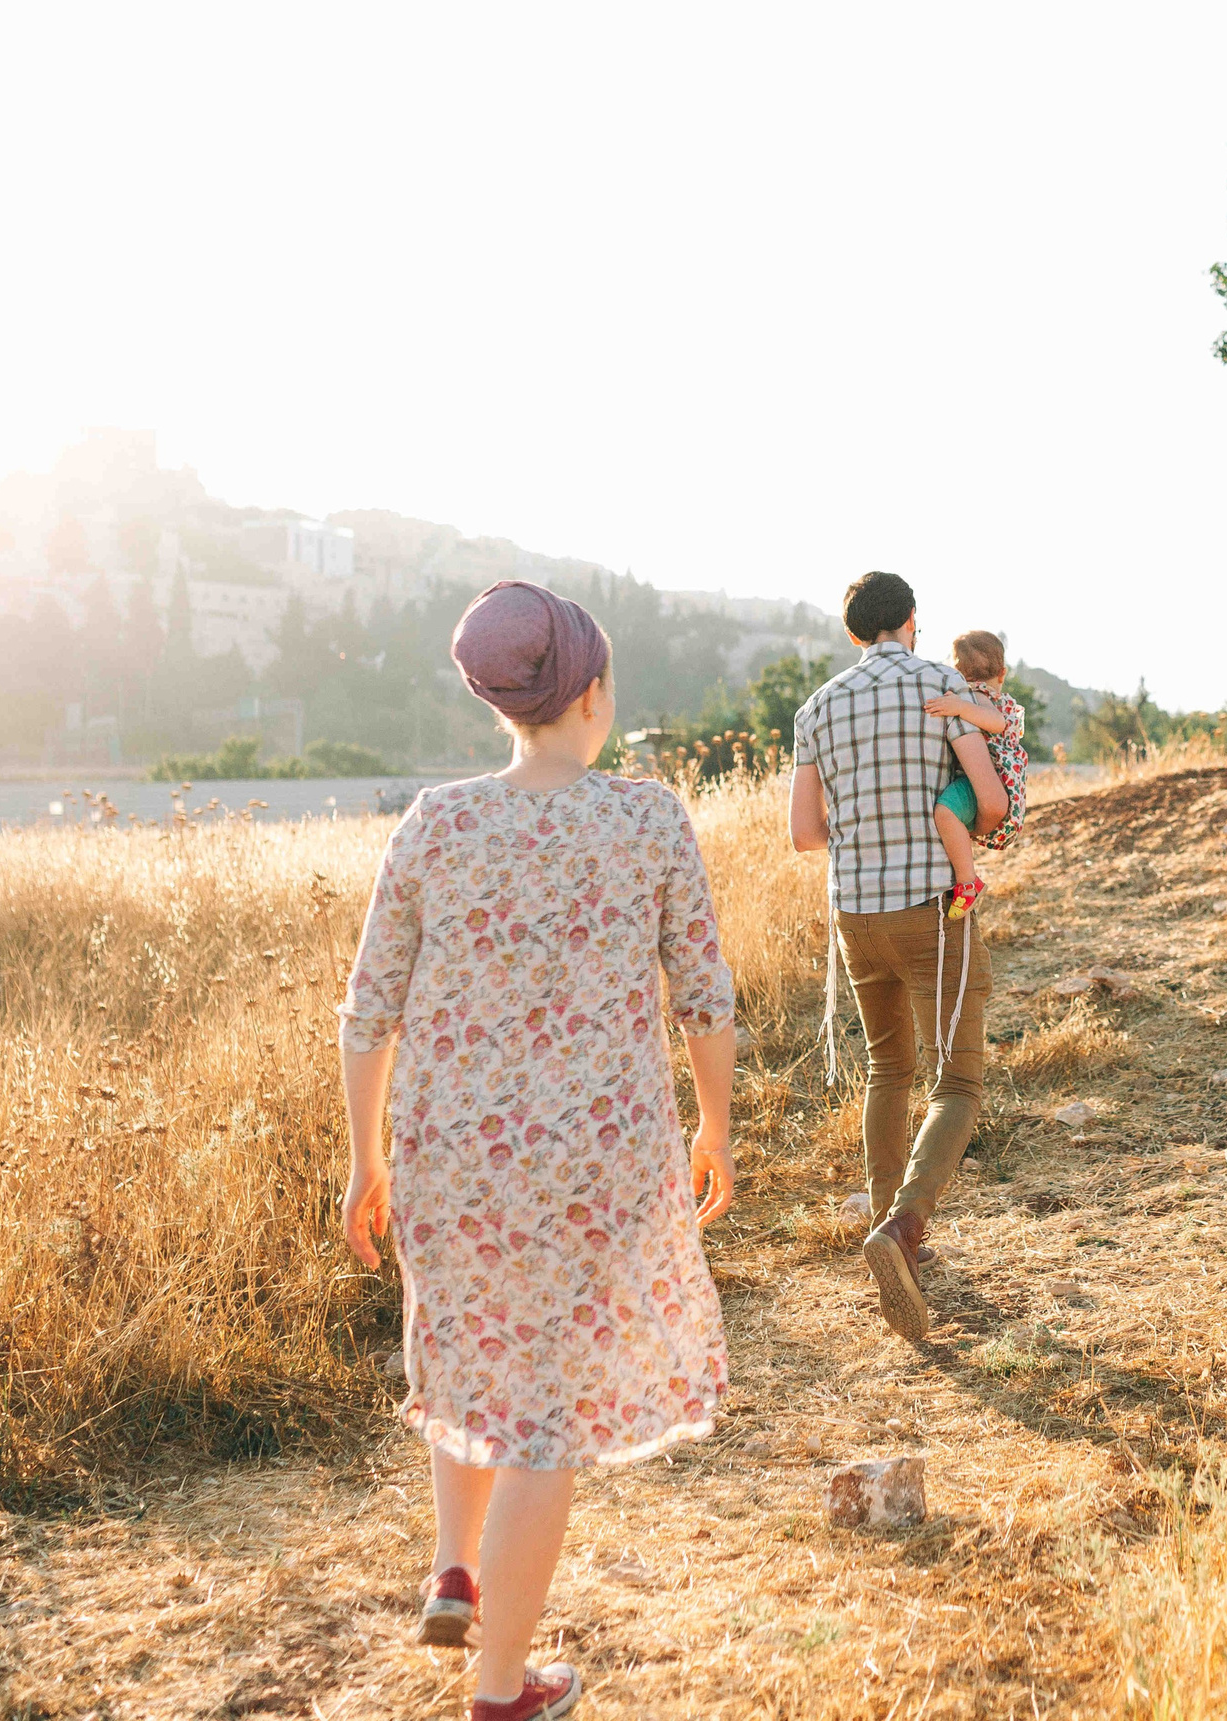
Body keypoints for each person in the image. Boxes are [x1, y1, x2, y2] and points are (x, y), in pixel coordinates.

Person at [338, 579, 738, 1721]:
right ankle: (502, 1689)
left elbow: (369, 1010)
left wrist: (363, 1161)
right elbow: (703, 998)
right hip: (593, 1162)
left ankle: (454, 1566)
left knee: (471, 1352)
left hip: (447, 1151)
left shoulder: (436, 819)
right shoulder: (647, 815)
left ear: (500, 702)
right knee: (543, 1422)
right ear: (593, 691)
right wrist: (715, 1125)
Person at [787, 572, 1009, 1344]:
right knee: (960, 1080)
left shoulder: (815, 707)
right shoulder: (943, 686)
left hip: (857, 911)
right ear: (912, 621)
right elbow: (986, 799)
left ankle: (890, 1226)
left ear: (854, 634)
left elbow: (804, 833)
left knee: (889, 1069)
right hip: (931, 910)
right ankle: (906, 1227)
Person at [923, 629, 1030, 919]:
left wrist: (959, 706)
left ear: (958, 672)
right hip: (995, 778)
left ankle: (967, 882)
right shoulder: (993, 694)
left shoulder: (977, 695)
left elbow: (995, 722)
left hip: (981, 776)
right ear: (1003, 673)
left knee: (945, 813)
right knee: (953, 819)